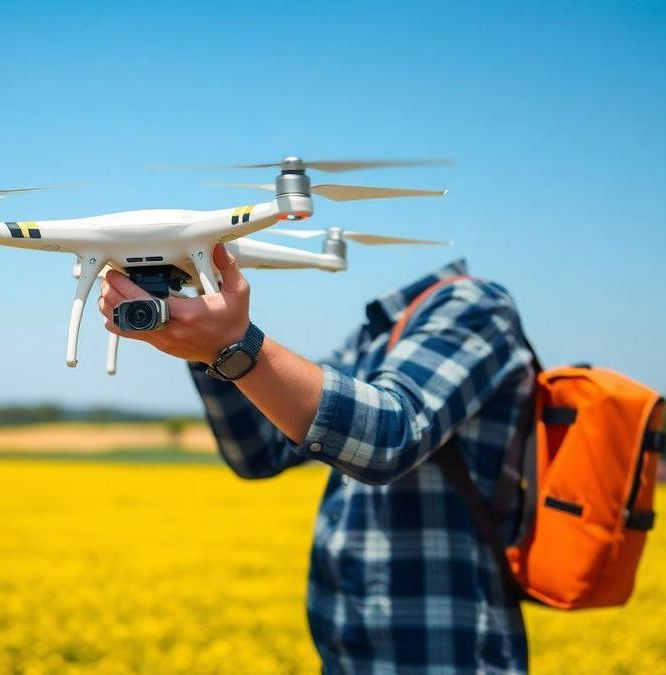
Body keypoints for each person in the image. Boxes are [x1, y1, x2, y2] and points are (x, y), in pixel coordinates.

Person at [97, 244, 535, 674]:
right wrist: (205, 346)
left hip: (445, 654)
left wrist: (236, 345)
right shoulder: (381, 333)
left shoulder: (473, 306)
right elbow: (259, 451)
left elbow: (392, 436)